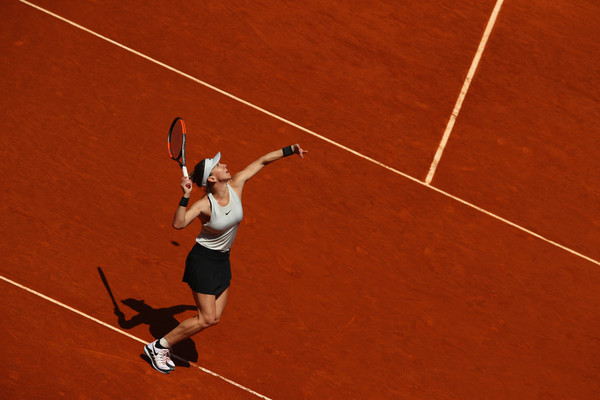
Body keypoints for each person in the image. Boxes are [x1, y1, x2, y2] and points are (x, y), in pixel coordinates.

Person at [144, 144, 308, 373]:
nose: (225, 165)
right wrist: (185, 196)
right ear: (211, 178)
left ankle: (166, 344)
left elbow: (262, 160)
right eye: (219, 165)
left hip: (222, 261)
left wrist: (290, 149)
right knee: (206, 318)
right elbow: (178, 224)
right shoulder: (204, 205)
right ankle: (159, 346)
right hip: (202, 261)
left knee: (214, 318)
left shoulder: (236, 185)